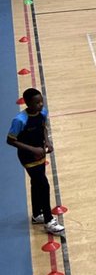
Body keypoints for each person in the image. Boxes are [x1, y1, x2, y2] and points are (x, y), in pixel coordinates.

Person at [7, 88, 65, 235]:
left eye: (41, 101)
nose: (40, 105)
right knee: (44, 185)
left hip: (40, 154)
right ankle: (48, 221)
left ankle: (36, 214)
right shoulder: (20, 120)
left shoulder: (43, 113)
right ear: (27, 104)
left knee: (36, 183)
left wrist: (47, 142)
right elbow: (10, 140)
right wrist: (32, 150)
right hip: (28, 158)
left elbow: (43, 127)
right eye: (37, 103)